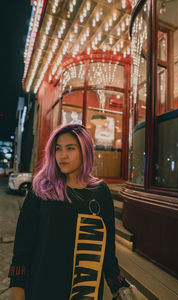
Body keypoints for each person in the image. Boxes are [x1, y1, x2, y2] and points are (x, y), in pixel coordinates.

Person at [8, 124, 129, 300]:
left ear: (85, 151)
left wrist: (117, 284)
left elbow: (107, 247)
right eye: (58, 149)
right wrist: (17, 288)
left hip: (84, 291)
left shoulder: (100, 191)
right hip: (43, 288)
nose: (62, 156)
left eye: (70, 148)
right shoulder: (41, 189)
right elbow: (23, 245)